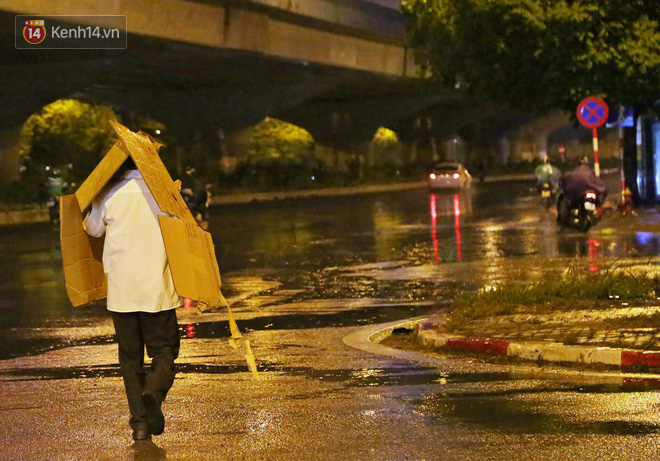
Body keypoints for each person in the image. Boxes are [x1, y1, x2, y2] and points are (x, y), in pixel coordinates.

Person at [83, 158, 181, 441]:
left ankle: (139, 424)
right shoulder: (162, 191)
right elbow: (182, 226)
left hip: (122, 291)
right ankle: (153, 391)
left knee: (130, 359)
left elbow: (93, 229)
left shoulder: (109, 193)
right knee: (165, 350)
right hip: (157, 289)